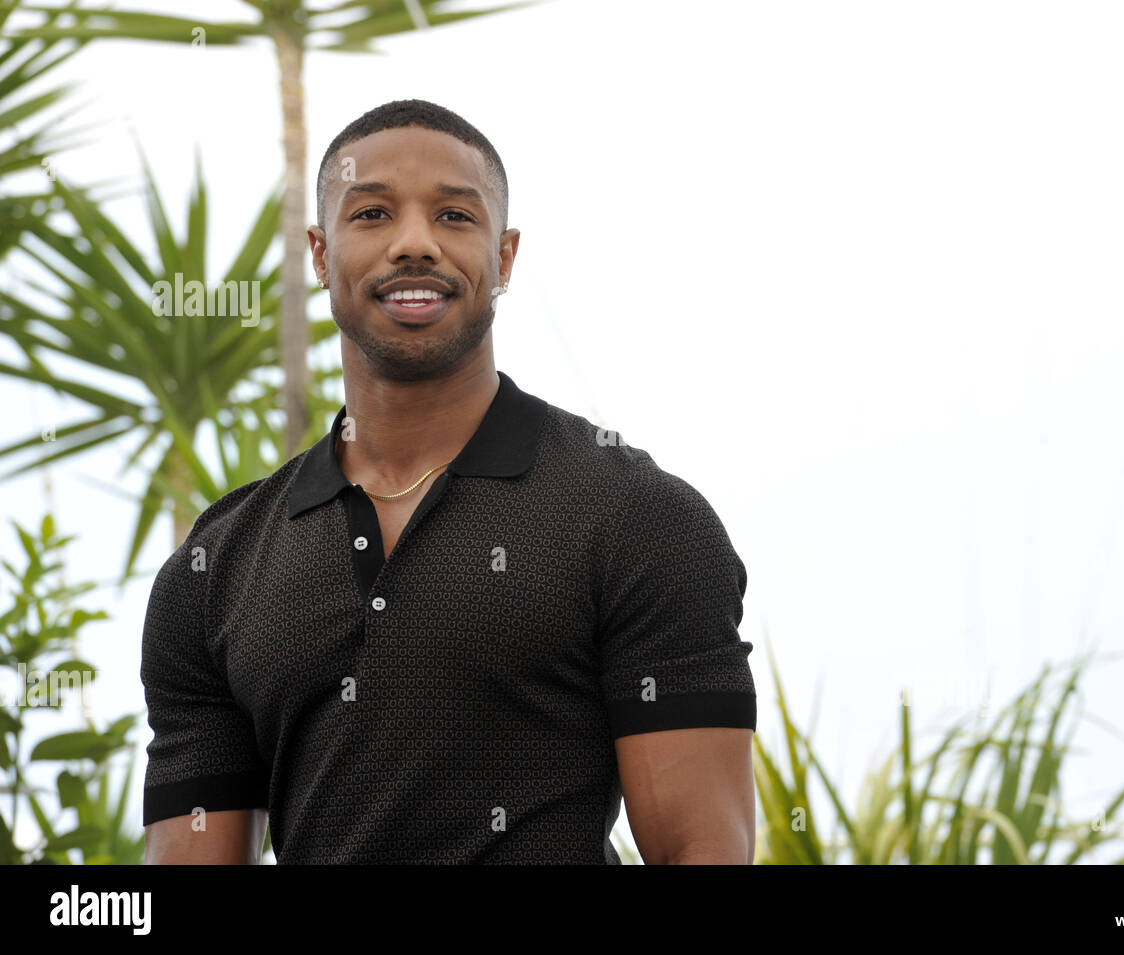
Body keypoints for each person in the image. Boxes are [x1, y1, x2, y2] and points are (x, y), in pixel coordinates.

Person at [140, 99, 757, 864]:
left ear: (503, 258)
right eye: (371, 213)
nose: (414, 244)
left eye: (455, 217)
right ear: (320, 253)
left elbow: (702, 848)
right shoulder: (215, 568)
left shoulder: (639, 518)